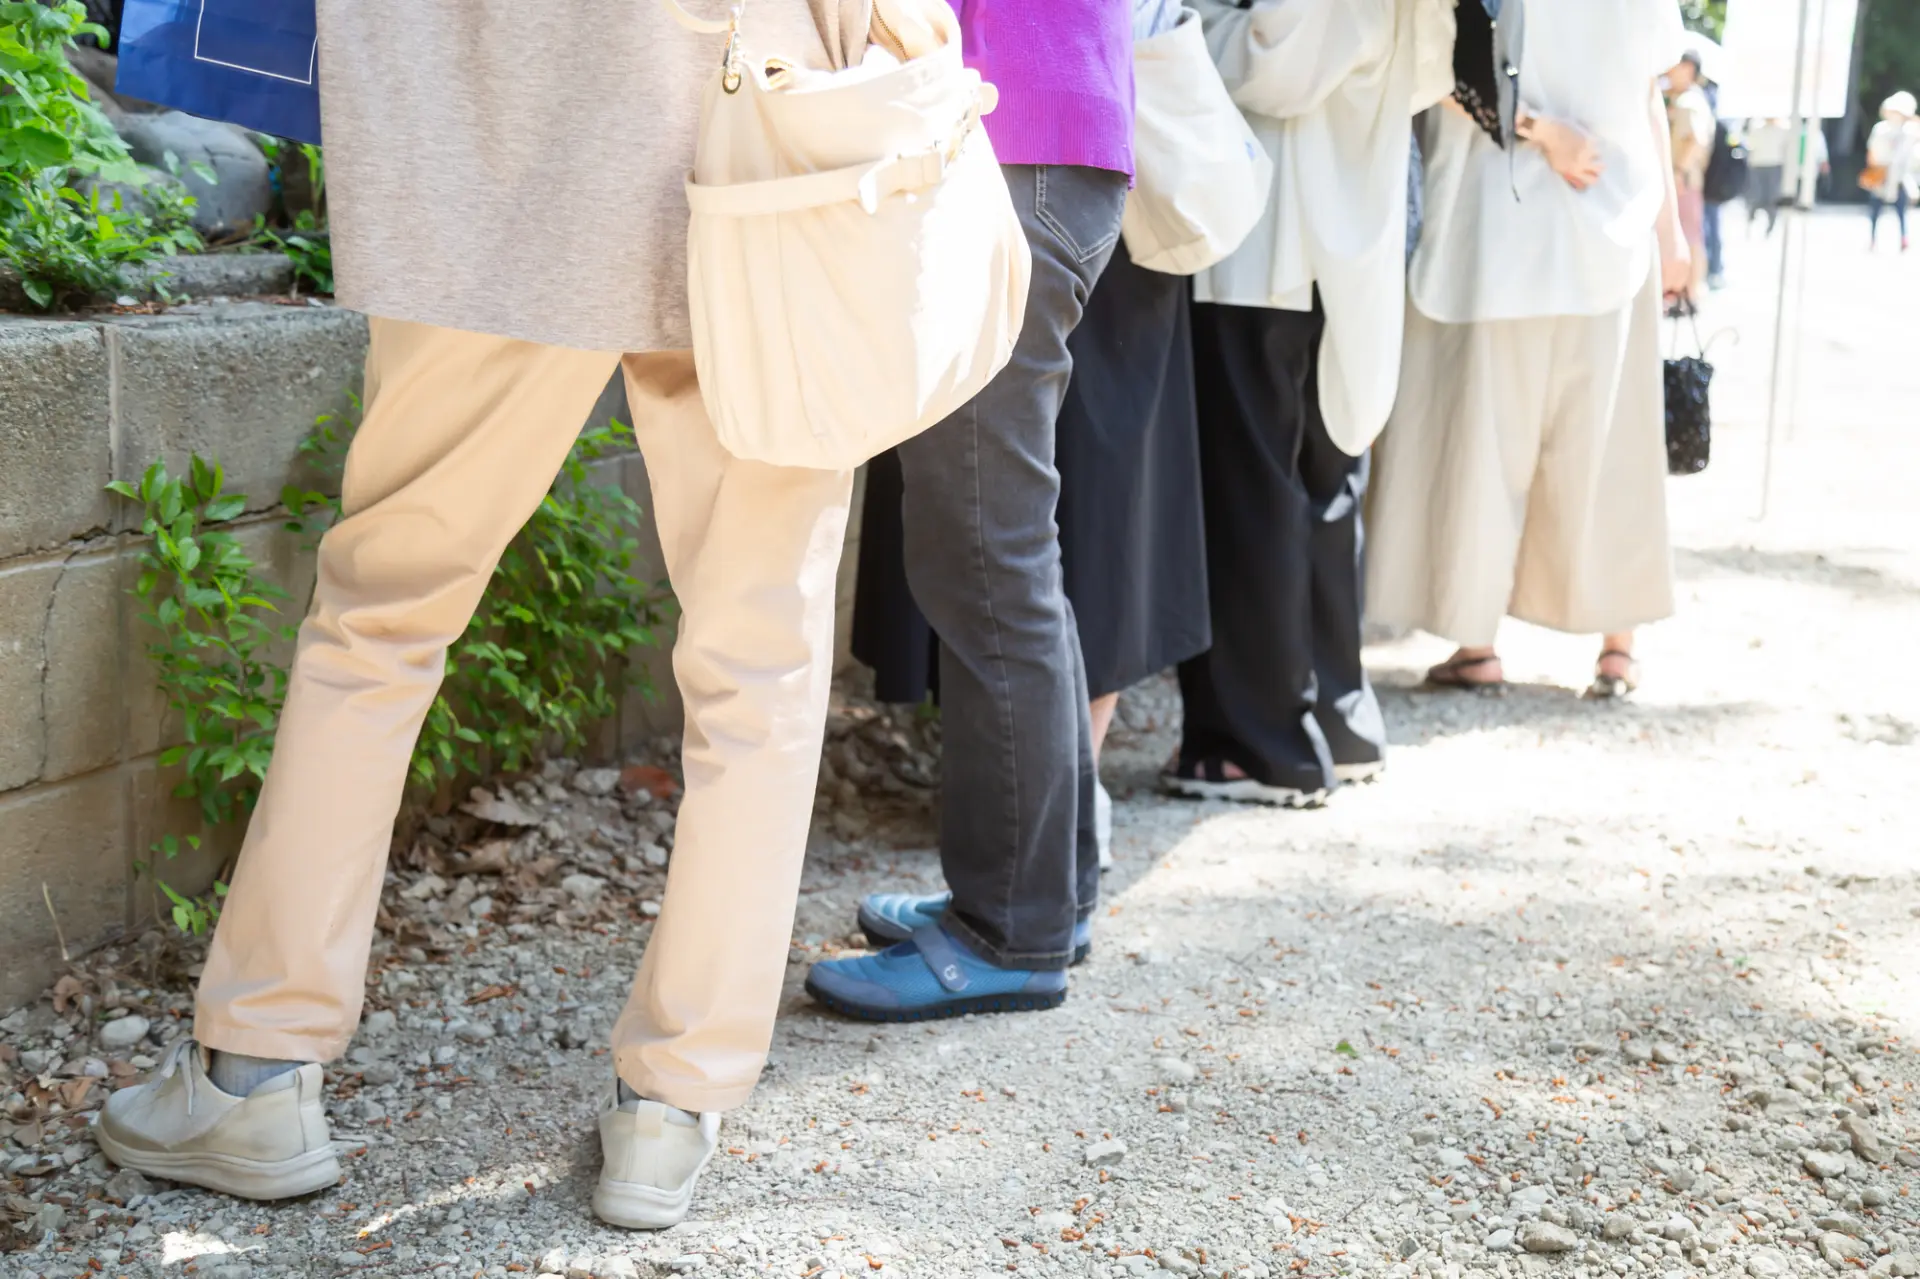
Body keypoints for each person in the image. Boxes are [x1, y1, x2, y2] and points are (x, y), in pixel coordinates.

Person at [96, 0, 871, 1230]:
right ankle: (674, 1108)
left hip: (505, 121)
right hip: (762, 117)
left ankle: (256, 1068)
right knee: (758, 655)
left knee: (383, 615)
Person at [806, 0, 1136, 1021]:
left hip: (1008, 143)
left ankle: (1009, 930)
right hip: (1050, 135)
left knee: (985, 550)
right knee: (1004, 547)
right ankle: (1044, 896)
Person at [1163, 0, 1454, 807]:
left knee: (1252, 490)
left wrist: (1171, 28)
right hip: (1350, 223)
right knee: (1325, 478)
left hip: (1272, 234)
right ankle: (1334, 715)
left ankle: (1262, 744)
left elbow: (1276, 64)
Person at [1368, 0, 1693, 700]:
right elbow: (1647, 94)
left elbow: (1444, 75)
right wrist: (1670, 232)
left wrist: (1542, 133)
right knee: (1607, 443)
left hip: (1492, 230)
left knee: (1487, 441)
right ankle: (1617, 645)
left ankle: (1478, 643)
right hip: (1607, 218)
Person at [1667, 52, 1716, 295]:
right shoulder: (1694, 99)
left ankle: (1689, 292)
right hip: (1687, 179)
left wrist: (1678, 173)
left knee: (1687, 236)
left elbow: (1695, 140)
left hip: (1683, 181)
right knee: (1691, 235)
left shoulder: (1688, 101)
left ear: (1687, 68)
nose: (1667, 72)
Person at [1865, 91, 1920, 251]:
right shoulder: (1880, 129)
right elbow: (1872, 151)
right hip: (1881, 173)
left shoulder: (1910, 130)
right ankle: (1872, 239)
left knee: (1901, 210)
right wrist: (1873, 169)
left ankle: (1903, 238)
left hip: (1900, 176)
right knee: (1875, 209)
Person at [1745, 117, 1790, 236]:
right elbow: (1750, 143)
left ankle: (1770, 226)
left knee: (1772, 197)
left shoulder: (1784, 129)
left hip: (1774, 165)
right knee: (1755, 196)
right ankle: (1751, 222)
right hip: (1757, 164)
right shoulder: (1756, 127)